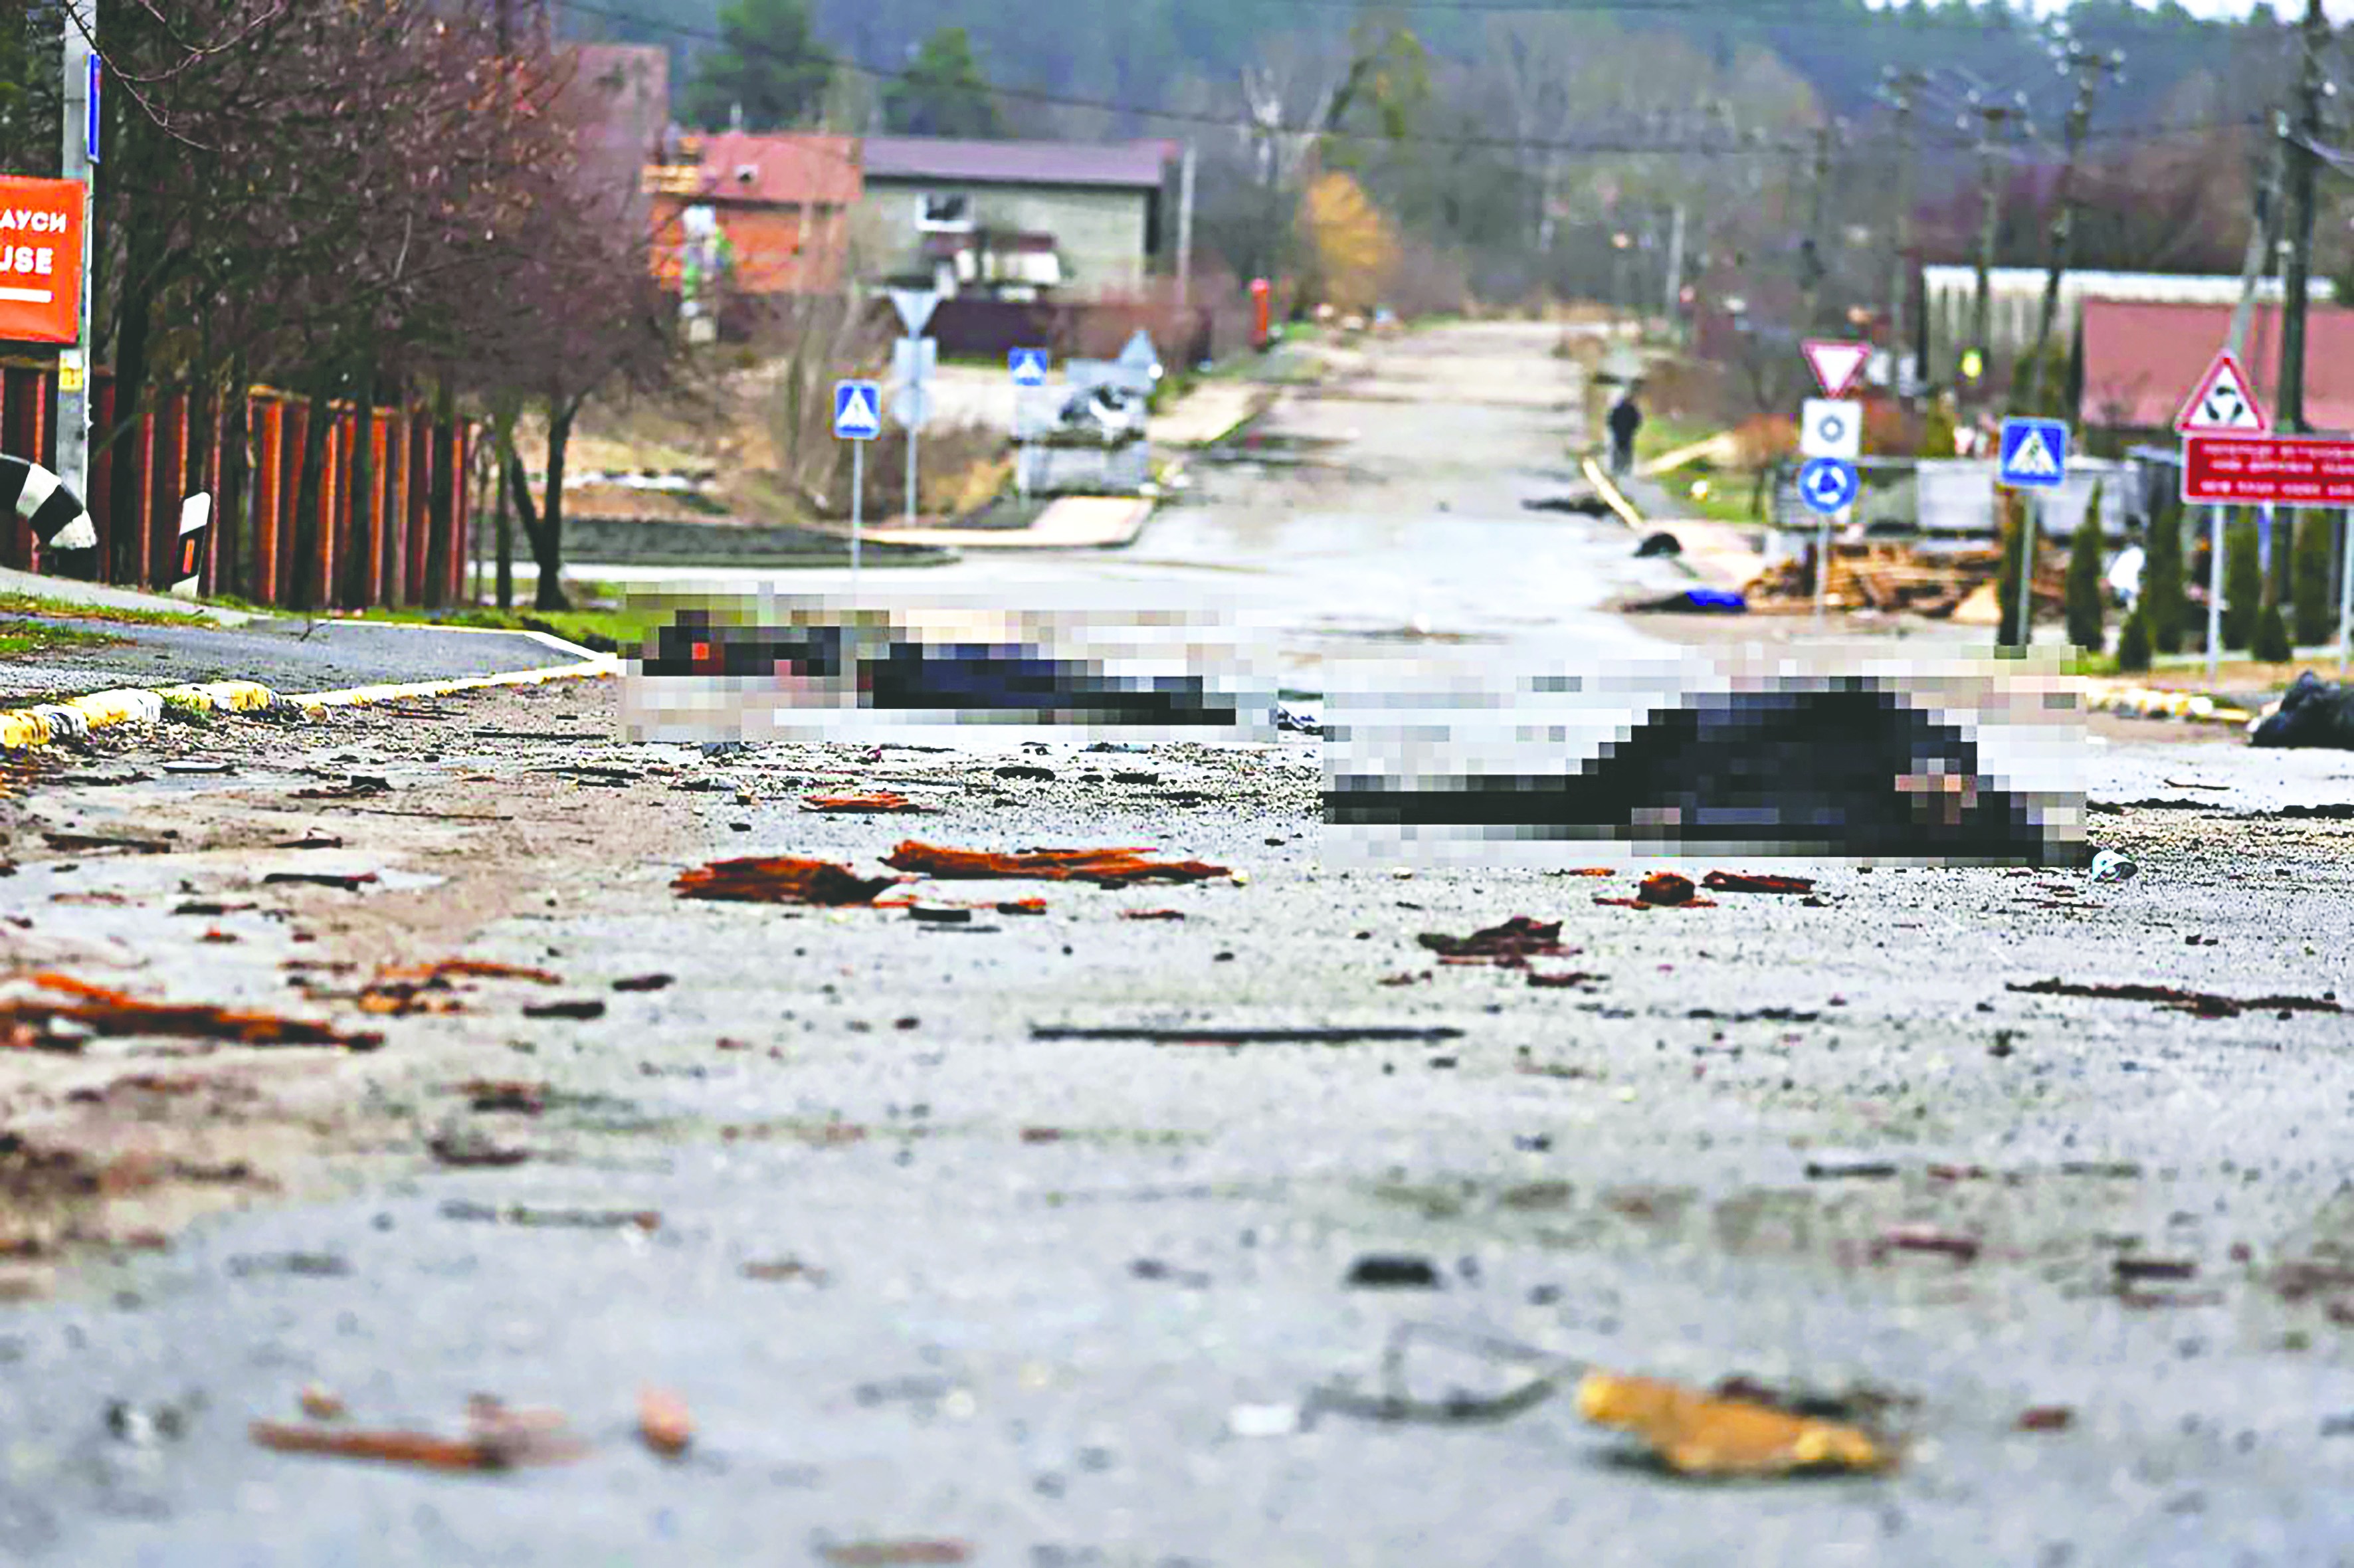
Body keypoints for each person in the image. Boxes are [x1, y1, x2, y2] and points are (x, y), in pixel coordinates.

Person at [1607, 393, 1642, 476]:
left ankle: (1616, 467)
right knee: (1627, 450)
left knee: (1617, 449)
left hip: (1618, 433)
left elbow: (1611, 421)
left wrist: (1614, 430)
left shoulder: (1617, 409)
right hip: (1628, 433)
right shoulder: (1633, 410)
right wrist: (1633, 430)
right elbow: (1637, 421)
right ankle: (1626, 467)